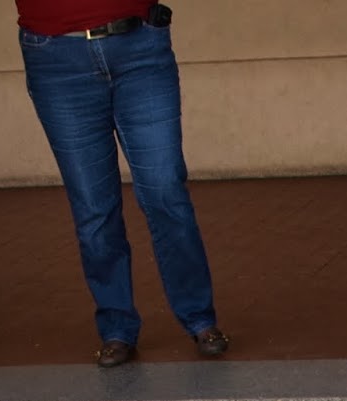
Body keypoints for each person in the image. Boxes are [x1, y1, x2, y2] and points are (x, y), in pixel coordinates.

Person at [15, 1, 229, 368]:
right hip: (55, 58)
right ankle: (116, 327)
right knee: (93, 208)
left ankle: (199, 318)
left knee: (165, 190)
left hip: (139, 49)